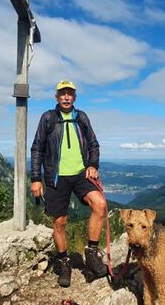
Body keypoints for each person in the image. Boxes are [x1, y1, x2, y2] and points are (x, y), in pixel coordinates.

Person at [30, 80, 108, 287]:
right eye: (62, 93)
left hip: (82, 174)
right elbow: (37, 148)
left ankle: (91, 253)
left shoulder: (81, 117)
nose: (66, 97)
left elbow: (93, 144)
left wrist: (93, 164)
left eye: (70, 93)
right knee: (60, 222)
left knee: (100, 204)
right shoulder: (48, 118)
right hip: (57, 177)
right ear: (56, 97)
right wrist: (35, 178)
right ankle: (64, 262)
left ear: (74, 97)